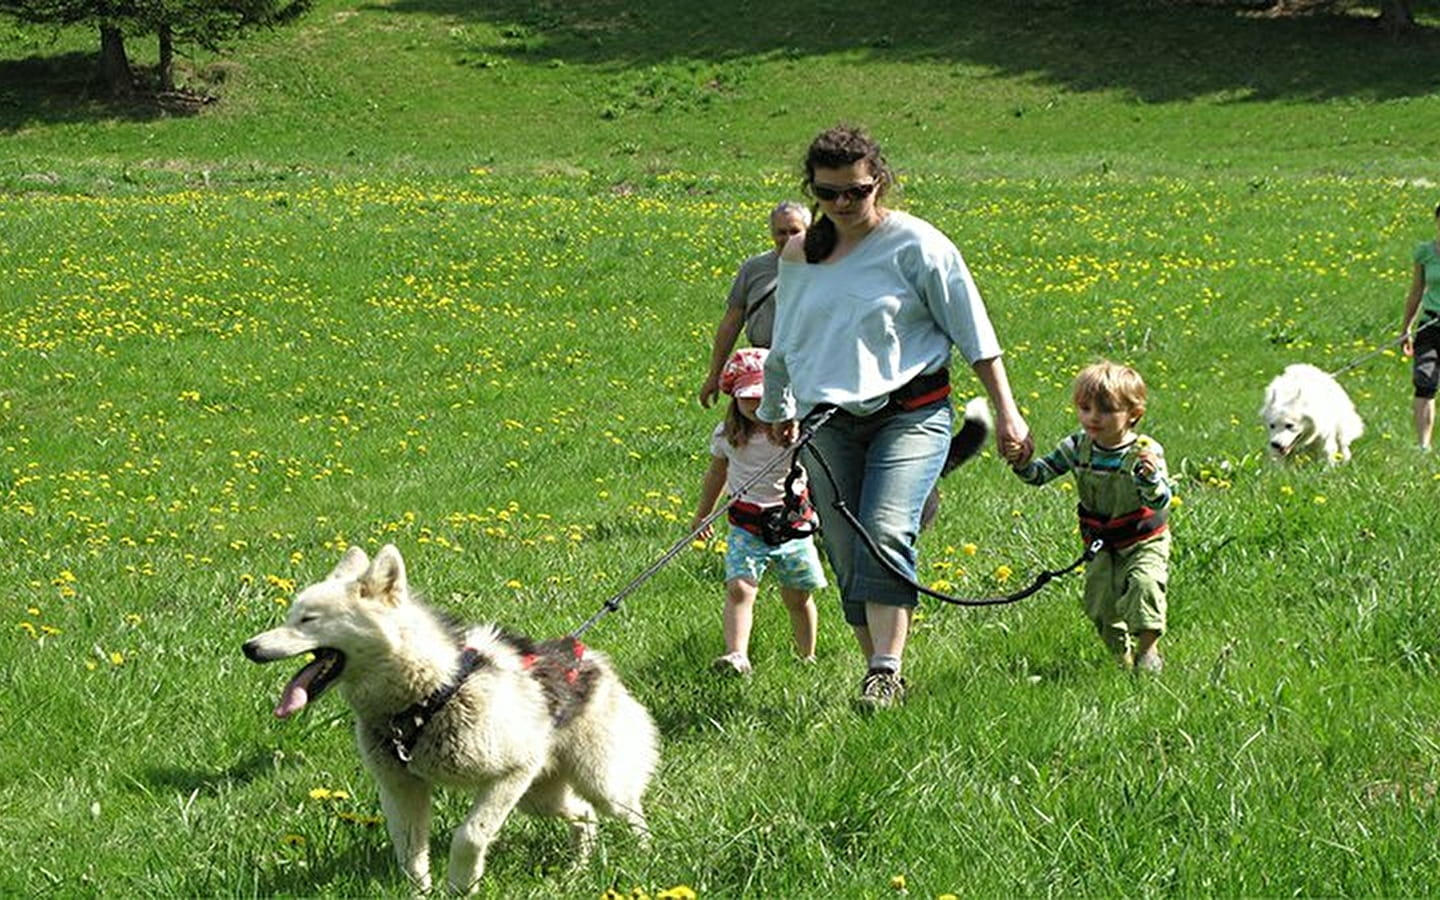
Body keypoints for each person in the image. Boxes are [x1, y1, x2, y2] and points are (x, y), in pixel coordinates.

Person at [758, 124, 1032, 709]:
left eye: (854, 192)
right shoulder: (800, 253)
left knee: (884, 529)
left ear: (877, 182)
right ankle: (872, 668)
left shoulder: (919, 245)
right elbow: (788, 339)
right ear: (812, 189)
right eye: (828, 193)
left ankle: (887, 670)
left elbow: (975, 334)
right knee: (846, 543)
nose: (842, 205)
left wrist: (1007, 413)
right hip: (826, 422)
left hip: (912, 412)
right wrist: (779, 407)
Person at [1010, 362, 1172, 673]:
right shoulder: (1076, 447)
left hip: (1142, 536)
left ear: (1134, 414)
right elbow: (1040, 474)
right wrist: (1022, 464)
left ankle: (1148, 651)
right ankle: (1119, 658)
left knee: (1144, 583)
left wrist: (1149, 478)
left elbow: (1161, 499)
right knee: (1099, 602)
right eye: (1085, 408)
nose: (1093, 417)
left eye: (1107, 410)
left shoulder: (1144, 451)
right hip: (1101, 540)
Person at [691, 347, 825, 676]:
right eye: (748, 397)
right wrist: (703, 513)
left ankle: (806, 657)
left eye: (763, 396)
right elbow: (716, 474)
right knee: (740, 589)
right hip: (745, 525)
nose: (756, 405)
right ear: (734, 398)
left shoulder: (794, 433)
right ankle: (737, 656)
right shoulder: (727, 436)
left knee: (797, 597)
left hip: (791, 524)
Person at [698, 202, 812, 408]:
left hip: (810, 364)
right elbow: (732, 322)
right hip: (762, 366)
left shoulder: (824, 268)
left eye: (795, 231)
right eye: (781, 232)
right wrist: (714, 375)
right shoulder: (754, 268)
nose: (787, 238)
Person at [1400, 201, 1440, 452]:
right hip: (1431, 324)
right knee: (1424, 380)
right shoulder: (1424, 252)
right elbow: (1416, 291)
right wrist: (1406, 328)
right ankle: (1423, 446)